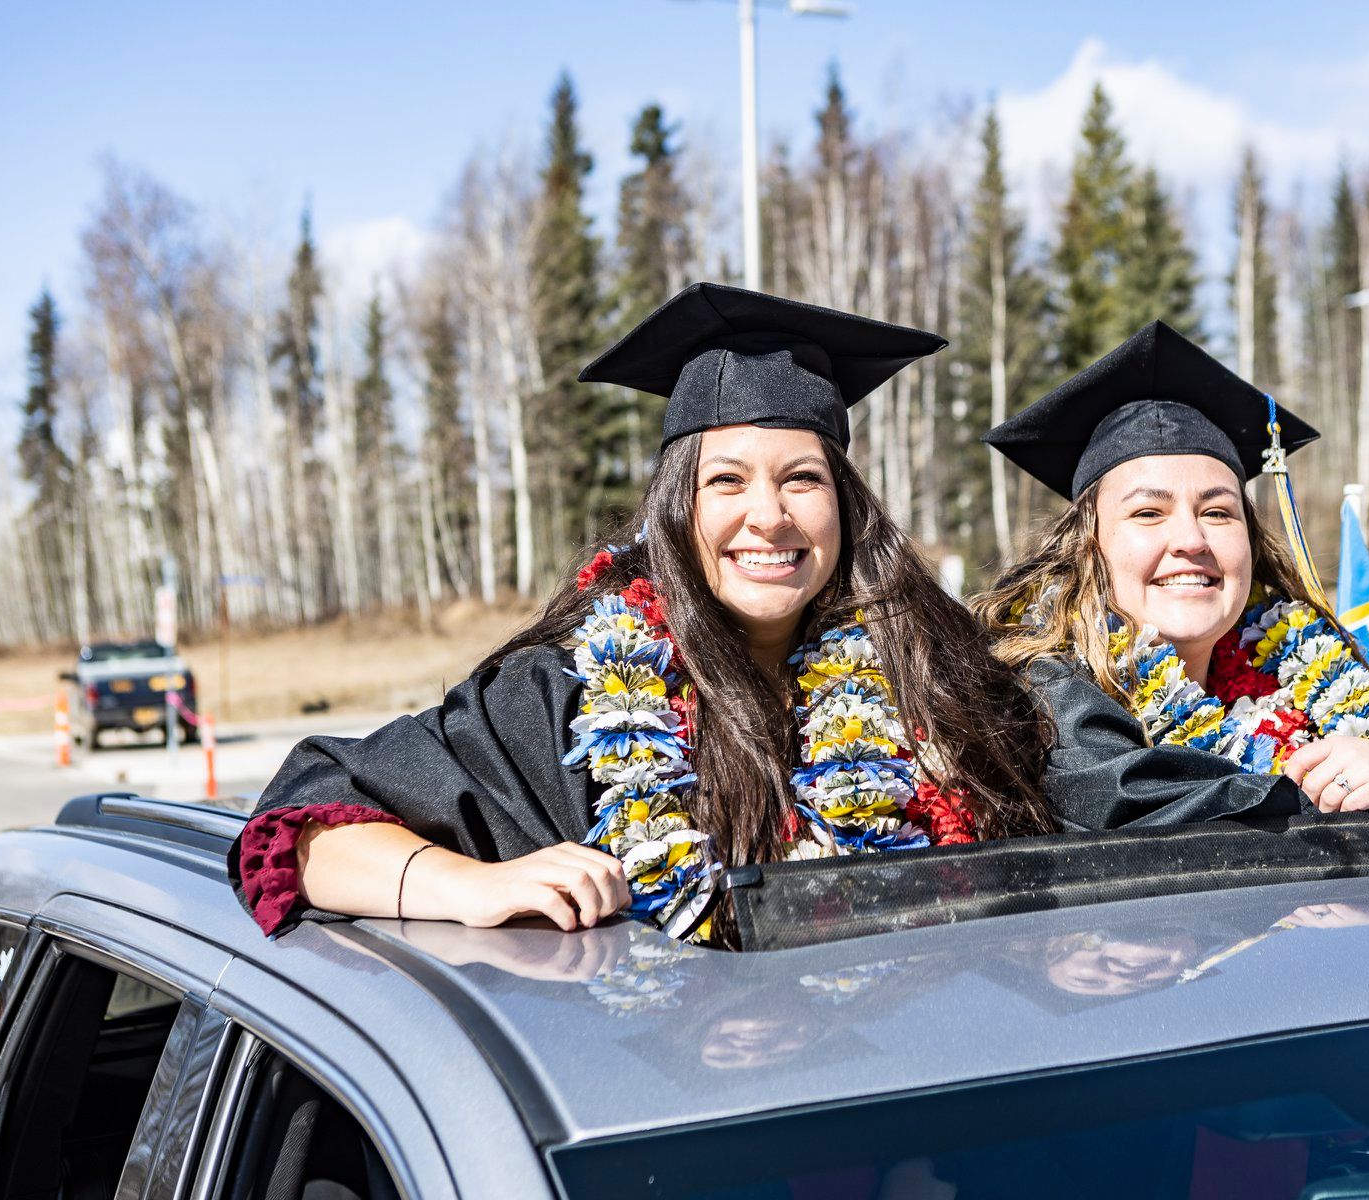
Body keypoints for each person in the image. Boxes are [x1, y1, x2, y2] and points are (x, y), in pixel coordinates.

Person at [229, 283, 1057, 948]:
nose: (769, 516)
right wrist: (469, 887)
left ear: (845, 505)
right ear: (674, 511)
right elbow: (302, 825)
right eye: (726, 481)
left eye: (802, 478)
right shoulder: (565, 701)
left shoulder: (934, 688)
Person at [972, 321, 1369, 860]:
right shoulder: (1042, 691)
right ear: (1088, 544)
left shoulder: (1308, 671)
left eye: (1218, 512)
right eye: (1148, 514)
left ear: (1251, 541)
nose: (1190, 539)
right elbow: (1155, 821)